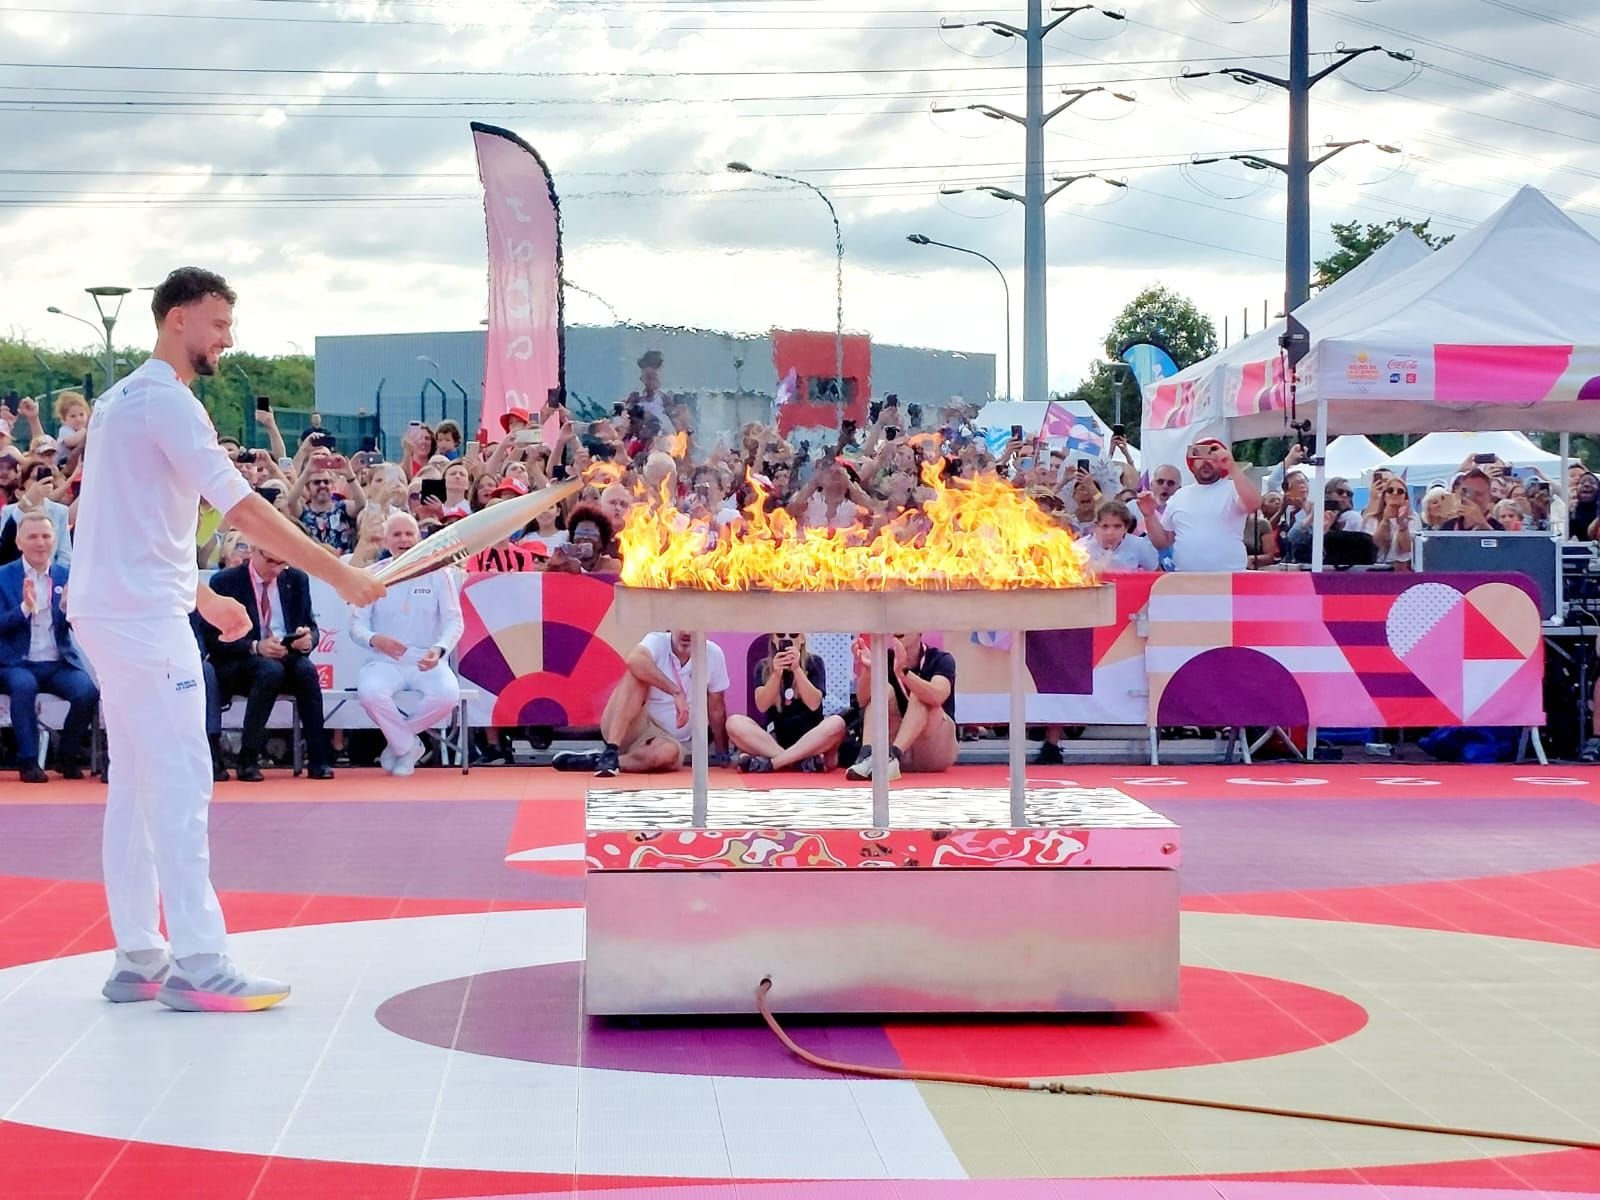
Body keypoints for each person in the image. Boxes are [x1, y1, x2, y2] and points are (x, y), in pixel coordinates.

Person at [69, 267, 384, 1013]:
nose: (227, 338)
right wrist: (339, 573)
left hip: (116, 611)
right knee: (178, 781)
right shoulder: (166, 403)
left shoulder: (121, 403)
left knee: (137, 785)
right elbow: (240, 506)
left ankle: (140, 957)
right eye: (217, 323)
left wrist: (204, 595)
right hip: (141, 620)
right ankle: (199, 963)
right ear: (176, 318)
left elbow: (133, 520)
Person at [203, 542, 335, 782]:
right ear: (254, 551)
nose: (276, 569)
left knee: (307, 671)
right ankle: (248, 757)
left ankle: (319, 759)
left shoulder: (295, 579)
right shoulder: (225, 582)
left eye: (282, 562)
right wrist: (255, 646)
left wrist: (307, 639)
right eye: (271, 561)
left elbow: (311, 626)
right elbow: (214, 639)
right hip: (241, 661)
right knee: (269, 671)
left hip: (286, 655)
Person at [351, 512, 464, 776]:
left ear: (419, 537)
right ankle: (407, 746)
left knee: (448, 695)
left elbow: (454, 622)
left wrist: (439, 649)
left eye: (409, 534)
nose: (404, 540)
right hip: (384, 660)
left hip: (426, 660)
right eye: (397, 534)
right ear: (386, 540)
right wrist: (375, 638)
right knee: (370, 694)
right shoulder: (372, 575)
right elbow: (356, 626)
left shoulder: (439, 574)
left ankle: (399, 744)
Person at [0, 511, 98, 782]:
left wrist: (71, 612)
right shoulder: (3, 577)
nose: (40, 543)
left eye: (45, 536)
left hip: (57, 661)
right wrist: (23, 609)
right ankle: (28, 761)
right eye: (32, 537)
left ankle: (66, 755)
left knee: (87, 691)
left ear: (55, 540)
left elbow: (85, 626)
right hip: (15, 662)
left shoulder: (67, 576)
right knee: (23, 686)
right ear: (19, 542)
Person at [556, 629, 729, 777]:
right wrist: (675, 691)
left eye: (693, 625)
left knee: (666, 754)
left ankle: (601, 761)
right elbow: (634, 660)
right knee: (637, 673)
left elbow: (716, 708)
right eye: (681, 623)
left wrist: (722, 753)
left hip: (667, 740)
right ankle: (611, 749)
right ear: (670, 624)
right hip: (631, 725)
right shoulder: (656, 641)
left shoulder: (713, 654)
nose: (686, 632)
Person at [725, 632, 847, 773]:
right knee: (734, 723)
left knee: (837, 723)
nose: (787, 640)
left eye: (794, 635)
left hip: (812, 738)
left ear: (802, 640)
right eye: (781, 635)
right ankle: (796, 762)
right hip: (774, 741)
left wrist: (797, 669)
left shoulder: (814, 662)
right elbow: (762, 705)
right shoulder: (764, 666)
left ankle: (774, 763)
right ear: (774, 640)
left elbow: (814, 704)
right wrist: (776, 675)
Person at [846, 630, 958, 780]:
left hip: (933, 749)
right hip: (897, 749)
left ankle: (893, 756)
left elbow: (938, 696)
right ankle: (867, 755)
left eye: (904, 622)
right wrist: (869, 670)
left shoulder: (940, 659)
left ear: (919, 630)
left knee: (919, 696)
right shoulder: (884, 658)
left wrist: (903, 672)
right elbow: (862, 700)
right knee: (882, 690)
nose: (898, 628)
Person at [1139, 439, 1261, 572]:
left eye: (1213, 456)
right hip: (1186, 579)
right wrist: (1149, 515)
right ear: (1192, 463)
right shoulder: (1179, 496)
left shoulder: (1233, 489)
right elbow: (1163, 542)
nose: (1206, 461)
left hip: (1229, 577)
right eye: (1200, 455)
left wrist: (1232, 467)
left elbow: (1253, 504)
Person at [1076, 500, 1159, 571]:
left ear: (1126, 528)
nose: (1110, 532)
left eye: (1117, 526)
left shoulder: (1139, 545)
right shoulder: (1080, 548)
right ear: (1096, 526)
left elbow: (1156, 572)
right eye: (1105, 526)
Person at [1362, 478, 1420, 566]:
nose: (1395, 493)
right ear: (1384, 495)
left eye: (1400, 491)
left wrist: (1402, 526)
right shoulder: (1371, 518)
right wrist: (1385, 521)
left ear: (1405, 497)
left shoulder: (1413, 518)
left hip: (1402, 568)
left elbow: (1407, 548)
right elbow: (1373, 546)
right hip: (1377, 568)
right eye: (1390, 490)